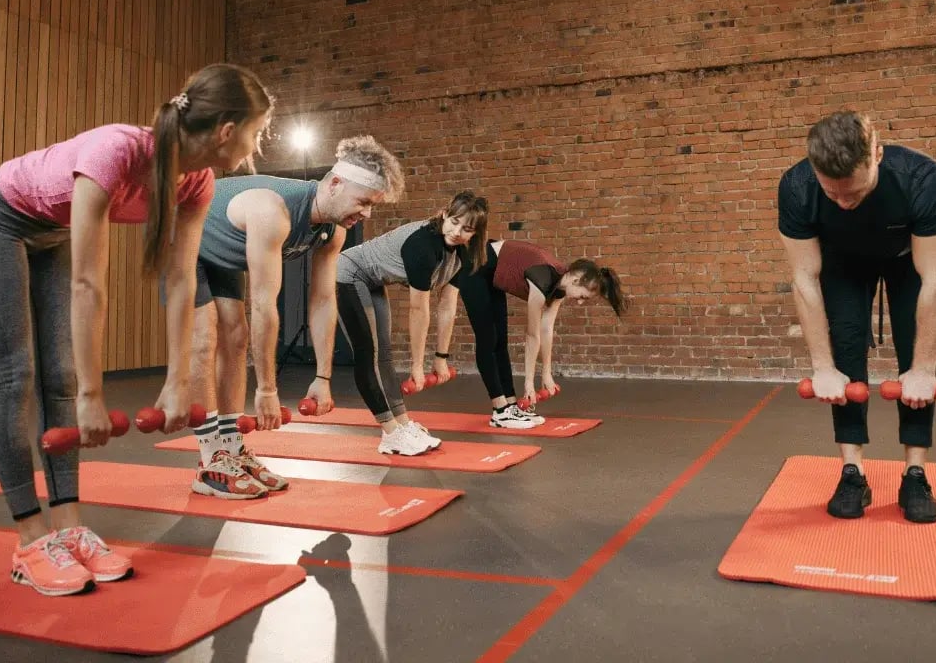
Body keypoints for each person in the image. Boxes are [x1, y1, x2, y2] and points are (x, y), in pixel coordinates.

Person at [0, 63, 273, 595]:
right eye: (256, 132)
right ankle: (31, 541)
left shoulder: (197, 181)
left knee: (57, 375)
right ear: (226, 132)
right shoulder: (117, 152)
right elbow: (88, 285)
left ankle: (70, 527)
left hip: (50, 233)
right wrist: (93, 394)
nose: (257, 144)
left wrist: (177, 381)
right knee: (17, 373)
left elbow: (178, 282)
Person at [186, 136, 405, 498]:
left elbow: (322, 301)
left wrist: (322, 376)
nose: (366, 214)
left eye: (372, 206)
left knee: (236, 337)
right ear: (335, 184)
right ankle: (211, 460)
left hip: (223, 250)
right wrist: (267, 390)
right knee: (205, 338)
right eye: (363, 201)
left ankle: (233, 450)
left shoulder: (334, 230)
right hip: (184, 233)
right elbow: (264, 304)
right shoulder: (273, 212)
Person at [778, 109, 936, 523]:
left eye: (853, 193)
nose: (842, 202)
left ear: (877, 153)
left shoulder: (922, 181)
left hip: (905, 259)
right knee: (843, 348)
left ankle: (915, 472)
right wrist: (821, 368)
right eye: (832, 193)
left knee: (916, 350)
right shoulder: (798, 187)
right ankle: (852, 472)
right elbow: (804, 279)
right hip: (842, 262)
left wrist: (924, 369)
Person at [335, 191, 490, 455]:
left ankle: (403, 425)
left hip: (373, 281)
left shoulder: (462, 256)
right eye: (453, 221)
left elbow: (447, 305)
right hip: (349, 274)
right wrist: (418, 367)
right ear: (444, 214)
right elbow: (418, 309)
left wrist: (441, 356)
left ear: (475, 234)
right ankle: (390, 433)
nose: (456, 231)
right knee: (368, 354)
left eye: (466, 229)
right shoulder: (424, 246)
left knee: (384, 354)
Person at [455, 241, 624, 428]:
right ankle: (500, 411)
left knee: (501, 341)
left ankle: (510, 405)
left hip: (494, 273)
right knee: (488, 338)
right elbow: (532, 335)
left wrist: (546, 374)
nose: (580, 303)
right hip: (477, 262)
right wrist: (529, 383)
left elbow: (546, 330)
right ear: (576, 279)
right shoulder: (542, 279)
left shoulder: (559, 287)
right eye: (583, 297)